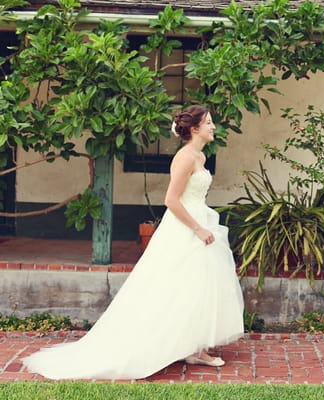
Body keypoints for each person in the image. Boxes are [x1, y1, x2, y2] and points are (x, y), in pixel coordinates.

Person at [22, 105, 245, 380]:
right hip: (186, 226)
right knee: (172, 287)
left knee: (195, 285)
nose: (214, 127)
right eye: (209, 123)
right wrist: (198, 229)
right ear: (195, 129)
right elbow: (171, 200)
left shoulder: (199, 155)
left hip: (199, 219)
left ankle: (194, 347)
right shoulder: (185, 157)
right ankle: (157, 343)